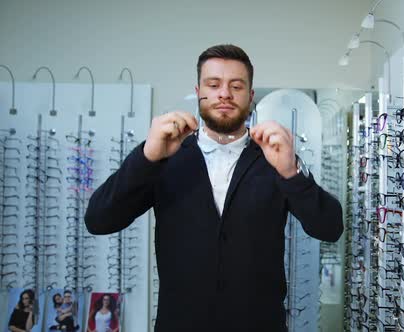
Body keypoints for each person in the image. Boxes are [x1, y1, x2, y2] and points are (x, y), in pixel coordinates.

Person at [84, 44, 343, 331]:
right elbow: (99, 220)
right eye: (214, 84)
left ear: (250, 96)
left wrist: (291, 173)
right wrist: (147, 156)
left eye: (236, 86)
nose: (224, 94)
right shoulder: (164, 156)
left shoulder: (273, 157)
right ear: (198, 92)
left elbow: (329, 227)